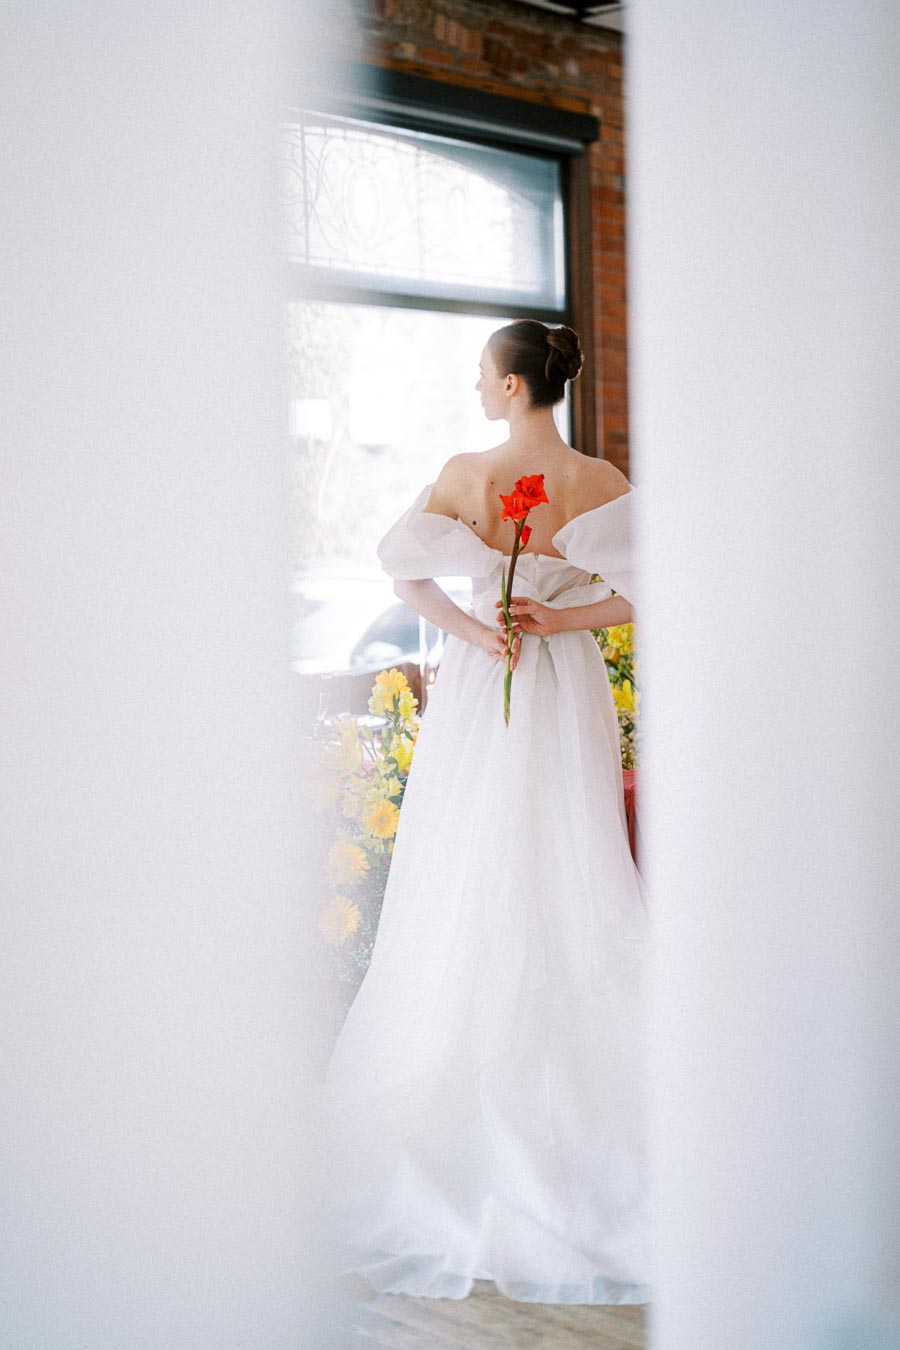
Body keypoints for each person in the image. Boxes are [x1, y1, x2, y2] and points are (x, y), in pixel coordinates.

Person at [314, 319, 653, 1307]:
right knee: (566, 854)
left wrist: (476, 628)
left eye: (480, 376)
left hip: (482, 679)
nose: (474, 389)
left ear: (513, 388)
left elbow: (400, 567)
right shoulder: (599, 479)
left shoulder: (464, 472)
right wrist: (558, 618)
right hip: (562, 678)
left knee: (473, 859)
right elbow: (645, 591)